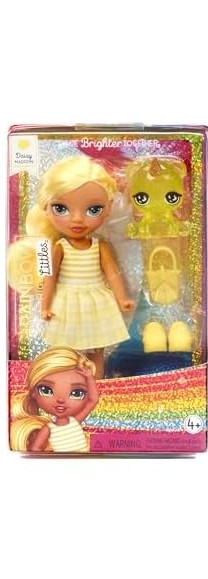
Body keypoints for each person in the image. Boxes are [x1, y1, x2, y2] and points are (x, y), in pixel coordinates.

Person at [8, 156, 135, 378]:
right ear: (46, 208)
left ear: (108, 208)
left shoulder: (100, 246)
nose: (77, 219)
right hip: (66, 303)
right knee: (66, 350)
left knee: (96, 349)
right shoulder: (56, 247)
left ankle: (96, 384)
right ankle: (68, 383)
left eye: (93, 209)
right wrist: (45, 305)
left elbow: (112, 274)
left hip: (96, 301)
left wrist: (122, 298)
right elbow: (49, 277)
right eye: (61, 208)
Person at [10, 346, 99, 452]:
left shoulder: (74, 421)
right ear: (33, 393)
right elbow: (35, 448)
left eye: (76, 393)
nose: (61, 400)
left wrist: (89, 377)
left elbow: (93, 400)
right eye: (46, 390)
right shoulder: (49, 429)